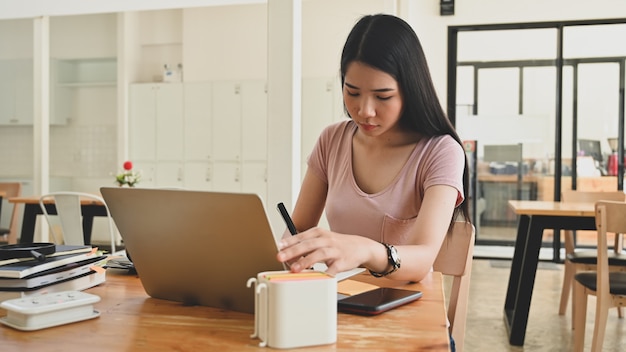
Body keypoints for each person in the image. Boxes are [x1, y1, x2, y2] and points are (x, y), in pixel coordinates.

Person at [276, 13, 470, 284]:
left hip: (406, 307)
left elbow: (423, 258)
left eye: (383, 96)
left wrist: (363, 249)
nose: (365, 111)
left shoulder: (440, 152)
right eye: (352, 92)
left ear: (411, 89)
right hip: (339, 301)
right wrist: (291, 252)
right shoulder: (332, 140)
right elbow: (297, 231)